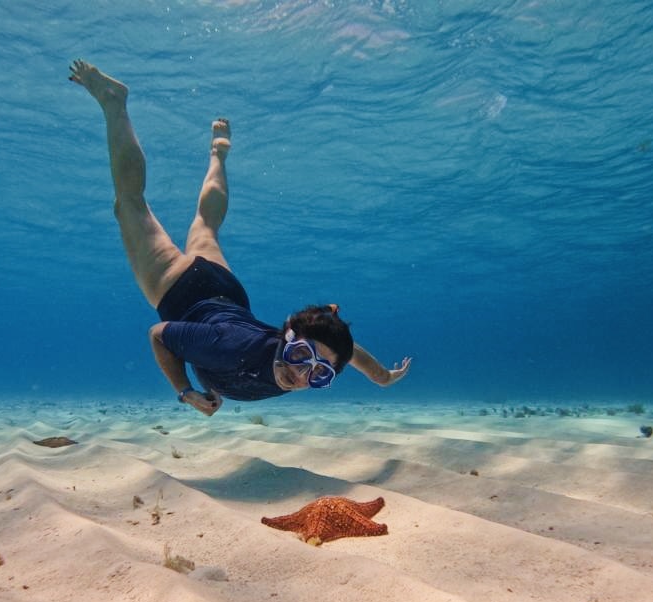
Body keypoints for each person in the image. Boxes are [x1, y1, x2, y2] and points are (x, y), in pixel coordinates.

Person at [69, 60, 411, 416]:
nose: (301, 373)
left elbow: (345, 349)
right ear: (287, 335)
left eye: (320, 374)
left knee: (206, 225)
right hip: (182, 292)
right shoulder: (230, 347)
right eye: (300, 356)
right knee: (129, 205)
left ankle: (219, 153)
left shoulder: (313, 354)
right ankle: (114, 102)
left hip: (229, 293)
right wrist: (186, 391)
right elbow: (159, 335)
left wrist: (382, 376)